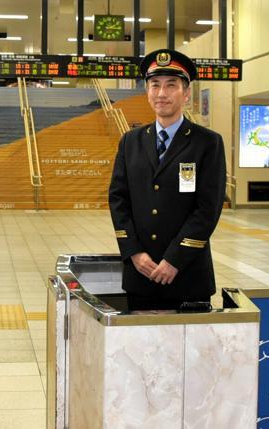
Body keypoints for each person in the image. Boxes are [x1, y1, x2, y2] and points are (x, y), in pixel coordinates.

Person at [108, 49, 226, 312]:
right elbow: (118, 199)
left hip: (188, 276)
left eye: (171, 86)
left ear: (185, 94)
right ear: (147, 92)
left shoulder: (207, 143)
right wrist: (134, 253)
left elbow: (207, 209)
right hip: (141, 276)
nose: (162, 93)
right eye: (155, 85)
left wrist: (174, 259)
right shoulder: (131, 141)